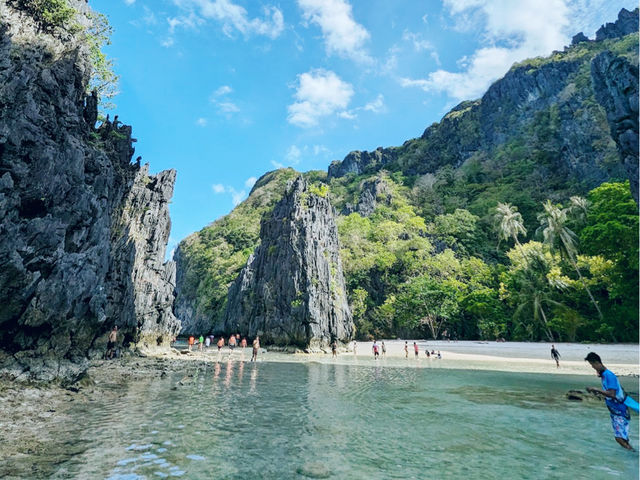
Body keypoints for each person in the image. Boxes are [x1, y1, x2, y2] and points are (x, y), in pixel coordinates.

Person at [585, 352, 637, 450]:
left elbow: (612, 394)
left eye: (592, 365)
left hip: (619, 410)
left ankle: (633, 455)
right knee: (623, 437)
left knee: (619, 438)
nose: (593, 368)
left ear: (597, 363)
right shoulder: (604, 375)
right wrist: (601, 394)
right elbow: (609, 393)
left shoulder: (609, 375)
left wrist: (595, 389)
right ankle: (629, 455)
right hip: (615, 410)